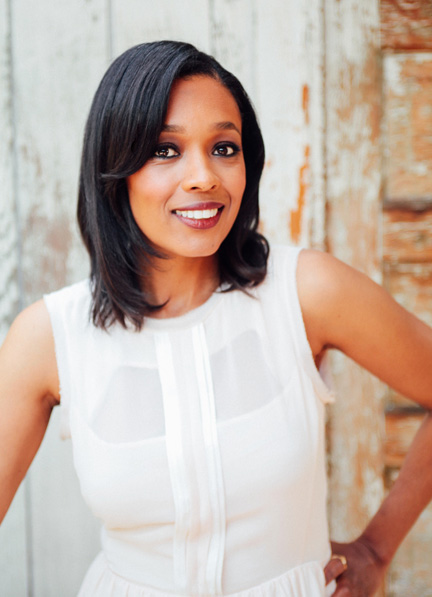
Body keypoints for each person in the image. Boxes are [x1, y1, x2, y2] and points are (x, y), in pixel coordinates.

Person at [1, 40, 432, 597]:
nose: (204, 176)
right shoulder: (50, 336)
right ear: (116, 168)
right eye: (165, 150)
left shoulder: (305, 292)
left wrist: (376, 550)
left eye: (224, 148)